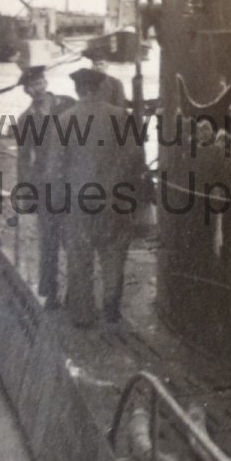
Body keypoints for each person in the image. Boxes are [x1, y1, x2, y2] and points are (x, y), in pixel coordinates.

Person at [62, 67, 140, 327]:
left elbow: (55, 167)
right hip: (114, 199)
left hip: (78, 201)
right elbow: (134, 156)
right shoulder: (120, 116)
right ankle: (111, 309)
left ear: (78, 90)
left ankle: (83, 315)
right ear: (99, 88)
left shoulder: (64, 119)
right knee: (113, 254)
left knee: (80, 256)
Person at [15, 65, 74, 310]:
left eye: (39, 83)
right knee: (48, 241)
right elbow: (23, 159)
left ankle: (75, 293)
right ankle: (50, 293)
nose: (37, 89)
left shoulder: (68, 104)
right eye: (32, 86)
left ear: (46, 83)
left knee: (73, 240)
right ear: (26, 91)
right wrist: (26, 193)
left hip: (72, 182)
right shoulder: (25, 119)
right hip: (44, 187)